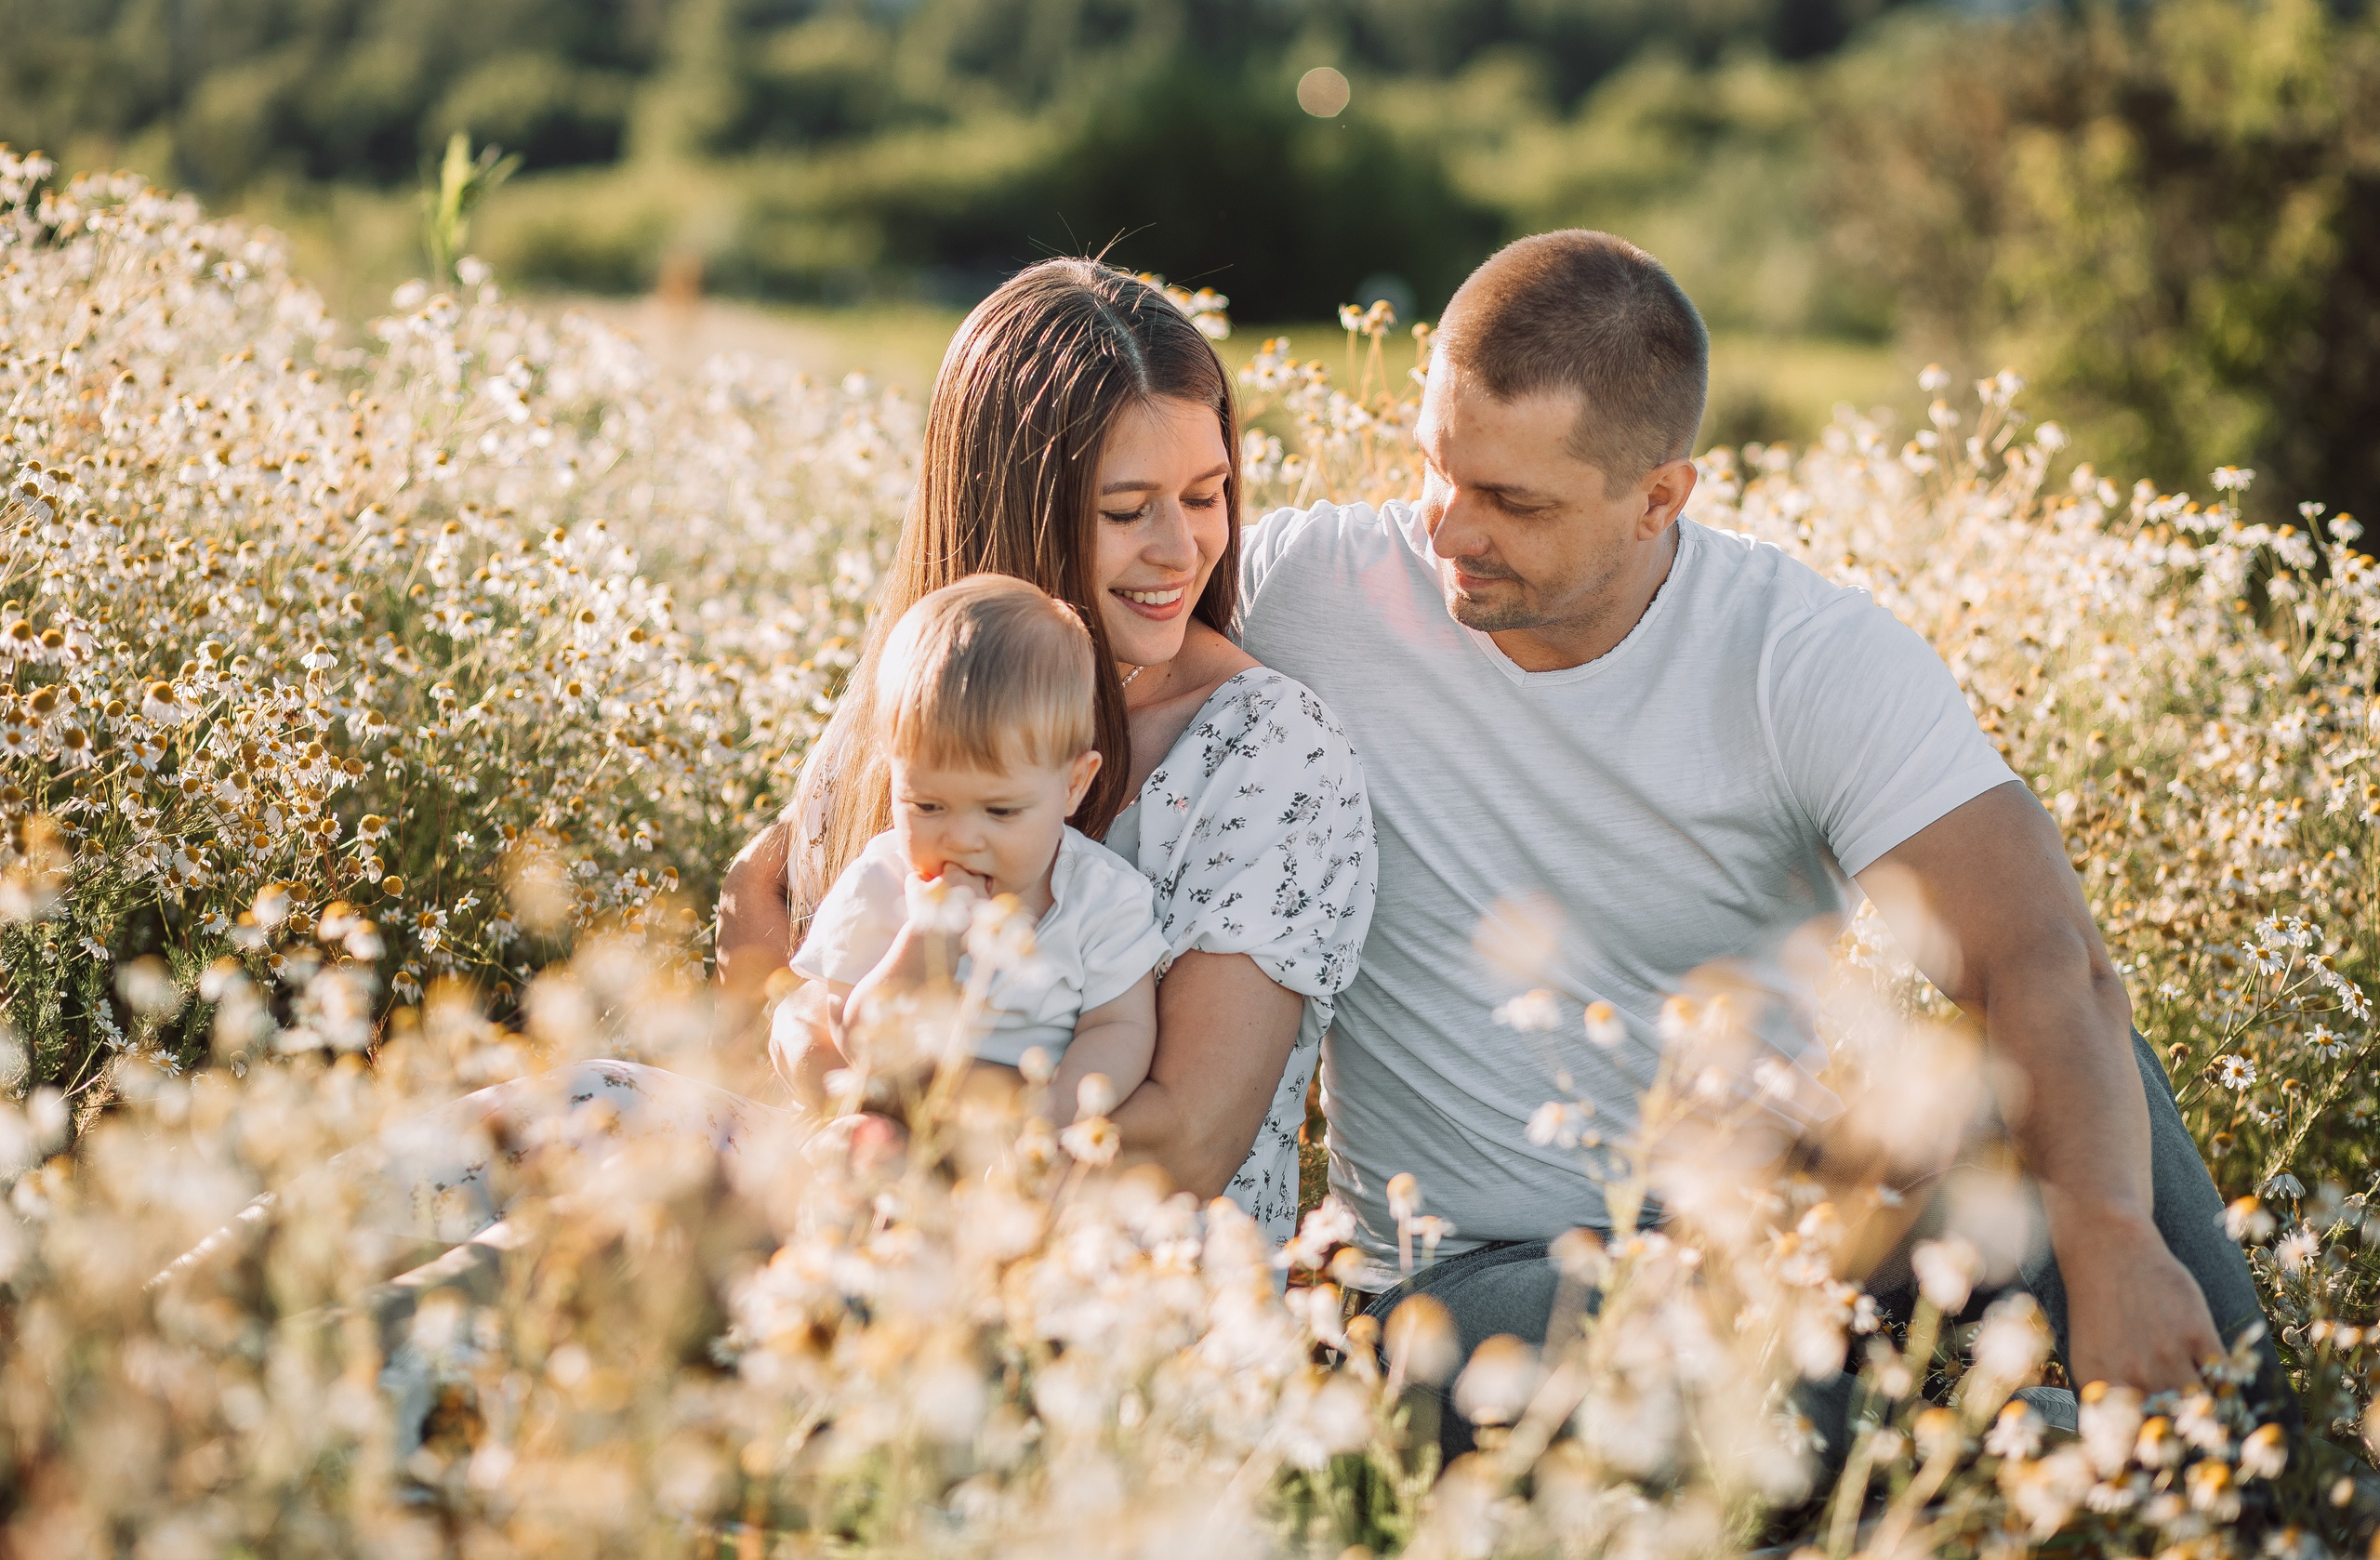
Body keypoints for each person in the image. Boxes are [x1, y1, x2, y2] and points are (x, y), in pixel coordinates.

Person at [1235, 230, 2269, 1449]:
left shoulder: (1801, 653)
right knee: (1734, 1381)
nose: (1450, 529)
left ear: (1659, 497)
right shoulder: (1308, 589)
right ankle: (1966, 1440)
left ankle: (2235, 1463)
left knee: (2089, 1079)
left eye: (1514, 500)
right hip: (1469, 1283)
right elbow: (1056, 612)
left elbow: (2037, 950)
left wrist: (2109, 1241)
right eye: (1436, 468)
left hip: (1775, 1235)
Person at [717, 259, 1376, 1249]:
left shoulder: (1267, 749)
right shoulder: (929, 687)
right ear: (1014, 505)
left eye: (1205, 496)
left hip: (1119, 1307)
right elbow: (768, 940)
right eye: (1125, 511)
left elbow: (1189, 1144)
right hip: (861, 1217)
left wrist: (902, 1131)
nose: (1180, 549)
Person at [794, 574, 1166, 1120]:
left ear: (1072, 785)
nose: (962, 838)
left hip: (1020, 1139)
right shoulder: (881, 881)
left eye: (1000, 811)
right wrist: (925, 942)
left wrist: (1051, 1117)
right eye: (926, 805)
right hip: (894, 1126)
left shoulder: (1101, 900)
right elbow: (855, 1041)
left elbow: (1121, 1028)